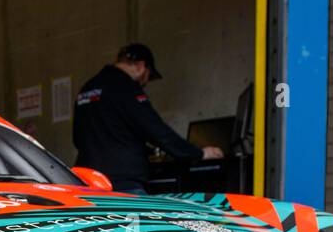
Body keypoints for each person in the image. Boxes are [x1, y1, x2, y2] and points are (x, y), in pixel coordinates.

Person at [72, 43, 222, 194]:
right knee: (142, 217)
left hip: (86, 183)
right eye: (148, 78)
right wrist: (198, 153)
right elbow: (156, 131)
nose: (144, 84)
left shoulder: (88, 87)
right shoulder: (126, 87)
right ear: (142, 67)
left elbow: (78, 138)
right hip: (123, 185)